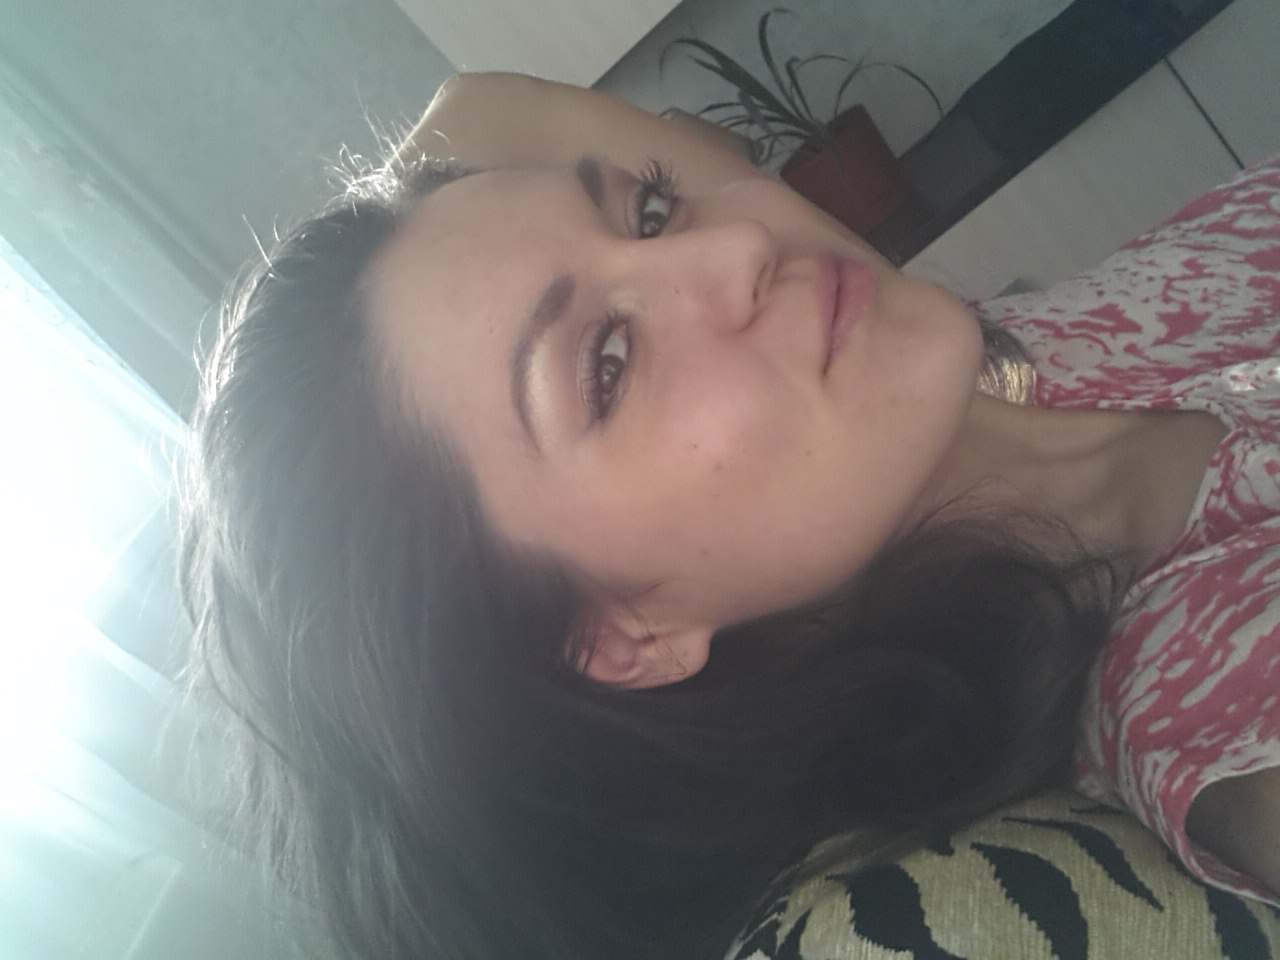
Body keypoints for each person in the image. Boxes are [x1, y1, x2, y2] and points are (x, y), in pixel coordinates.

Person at [179, 72, 1280, 960]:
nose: (736, 245)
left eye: (649, 210)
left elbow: (476, 108)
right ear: (622, 636)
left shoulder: (990, 365)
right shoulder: (1201, 698)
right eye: (608, 364)